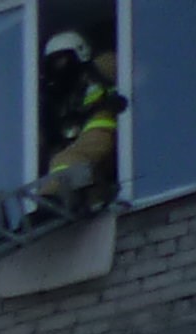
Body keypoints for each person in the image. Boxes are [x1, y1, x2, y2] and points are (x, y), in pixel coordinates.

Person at [34, 32, 121, 215]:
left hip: (106, 136)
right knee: (67, 162)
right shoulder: (60, 99)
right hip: (90, 155)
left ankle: (52, 200)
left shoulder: (101, 68)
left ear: (80, 54)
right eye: (53, 62)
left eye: (62, 59)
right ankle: (87, 200)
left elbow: (136, 67)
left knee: (65, 160)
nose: (59, 67)